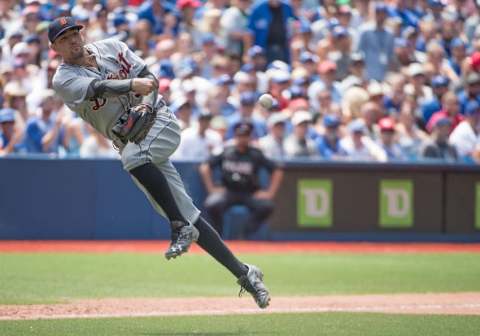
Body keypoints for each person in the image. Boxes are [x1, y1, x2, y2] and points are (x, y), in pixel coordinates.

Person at [48, 17, 270, 309]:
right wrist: (132, 85)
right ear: (54, 48)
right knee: (188, 214)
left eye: (74, 33)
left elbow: (150, 80)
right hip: (131, 141)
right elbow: (97, 88)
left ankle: (178, 226)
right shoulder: (63, 79)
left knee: (136, 161)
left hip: (159, 120)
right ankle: (244, 273)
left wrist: (146, 102)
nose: (73, 40)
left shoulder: (112, 47)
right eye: (64, 38)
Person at [200, 121, 283, 237]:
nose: (242, 139)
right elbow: (205, 166)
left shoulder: (256, 153)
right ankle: (218, 235)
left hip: (249, 192)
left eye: (245, 136)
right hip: (228, 191)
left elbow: (277, 170)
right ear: (235, 136)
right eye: (240, 135)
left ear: (250, 137)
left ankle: (246, 234)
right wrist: (211, 188)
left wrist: (270, 193)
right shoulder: (226, 151)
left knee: (267, 206)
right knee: (212, 204)